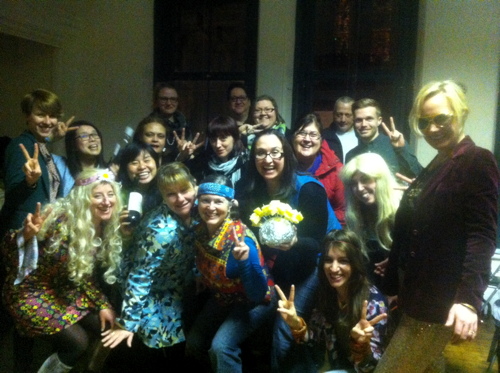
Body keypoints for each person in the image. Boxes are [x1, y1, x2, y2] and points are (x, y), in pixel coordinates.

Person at [376, 80, 499, 372]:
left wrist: (468, 301)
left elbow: (481, 236)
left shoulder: (476, 160)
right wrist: (396, 266)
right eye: (424, 122)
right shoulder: (439, 163)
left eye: (441, 118)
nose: (432, 129)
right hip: (415, 290)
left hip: (438, 299)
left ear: (461, 113)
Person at [2, 168, 122, 373]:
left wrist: (103, 304)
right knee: (78, 343)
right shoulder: (59, 219)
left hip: (65, 289)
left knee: (111, 327)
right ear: (84, 198)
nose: (106, 201)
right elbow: (9, 254)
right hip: (28, 291)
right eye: (98, 195)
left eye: (110, 194)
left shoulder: (103, 224)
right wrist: (24, 236)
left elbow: (84, 275)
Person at [240, 129, 337, 372]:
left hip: (314, 262)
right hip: (280, 264)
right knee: (255, 323)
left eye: (275, 152)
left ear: (286, 155)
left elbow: (318, 242)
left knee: (284, 329)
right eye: (261, 153)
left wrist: (293, 243)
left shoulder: (308, 188)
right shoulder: (254, 190)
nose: (268, 159)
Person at [0, 89, 74, 372]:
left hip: (40, 236)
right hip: (23, 236)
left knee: (26, 309)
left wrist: (56, 135)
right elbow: (16, 195)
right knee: (23, 310)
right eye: (41, 114)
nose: (47, 120)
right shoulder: (20, 145)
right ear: (27, 116)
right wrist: (29, 182)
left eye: (53, 115)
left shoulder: (42, 145)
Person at [101, 162, 198, 371]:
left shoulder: (200, 211)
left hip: (173, 285)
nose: (180, 198)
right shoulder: (162, 230)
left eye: (184, 190)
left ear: (195, 186)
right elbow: (140, 276)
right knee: (153, 348)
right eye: (171, 194)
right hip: (148, 290)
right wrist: (127, 323)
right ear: (163, 196)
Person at [185, 175, 275, 372]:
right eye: (206, 200)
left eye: (218, 201)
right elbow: (198, 257)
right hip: (224, 295)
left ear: (230, 205)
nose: (211, 207)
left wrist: (243, 262)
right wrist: (200, 274)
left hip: (256, 299)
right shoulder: (199, 230)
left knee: (221, 347)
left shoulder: (241, 241)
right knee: (193, 342)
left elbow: (257, 294)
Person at [277, 230, 388, 372]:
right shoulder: (328, 294)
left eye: (343, 261)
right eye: (328, 260)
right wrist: (296, 323)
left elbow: (374, 368)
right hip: (337, 366)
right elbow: (314, 342)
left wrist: (361, 346)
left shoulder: (374, 304)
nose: (334, 268)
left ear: (355, 264)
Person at [340, 153, 402, 289]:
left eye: (365, 179)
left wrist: (398, 260)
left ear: (381, 179)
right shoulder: (357, 214)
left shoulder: (402, 208)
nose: (359, 188)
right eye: (353, 184)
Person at [345, 98, 422, 178]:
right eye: (358, 120)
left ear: (379, 121)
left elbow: (419, 176)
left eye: (369, 119)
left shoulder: (395, 146)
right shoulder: (351, 156)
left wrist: (401, 150)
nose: (364, 124)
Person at [292, 113, 346, 226]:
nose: (307, 139)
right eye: (301, 133)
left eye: (313, 135)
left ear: (321, 140)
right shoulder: (282, 166)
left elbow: (342, 211)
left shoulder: (337, 170)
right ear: (293, 138)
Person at [183, 115, 248, 191]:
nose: (217, 145)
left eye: (223, 138)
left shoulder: (246, 162)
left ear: (235, 138)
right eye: (213, 139)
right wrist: (184, 155)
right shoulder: (201, 162)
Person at [117, 142, 162, 222]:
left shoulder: (166, 191)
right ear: (125, 168)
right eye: (134, 163)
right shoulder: (118, 197)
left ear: (156, 163)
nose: (142, 166)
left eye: (147, 160)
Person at [62, 120, 106, 193]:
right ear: (73, 144)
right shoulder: (61, 169)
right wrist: (50, 138)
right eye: (84, 136)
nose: (92, 139)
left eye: (95, 134)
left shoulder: (110, 172)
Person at [150, 82, 191, 158]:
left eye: (173, 99)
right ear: (156, 101)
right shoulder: (149, 124)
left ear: (177, 102)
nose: (169, 103)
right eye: (164, 99)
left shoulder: (184, 123)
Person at [322, 96, 358, 163]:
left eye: (348, 115)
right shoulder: (323, 136)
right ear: (333, 114)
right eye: (339, 115)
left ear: (354, 116)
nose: (343, 120)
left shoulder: (362, 137)